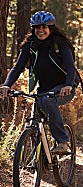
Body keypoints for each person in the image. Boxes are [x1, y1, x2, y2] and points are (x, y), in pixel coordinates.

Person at [0, 11, 78, 154]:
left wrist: (68, 85)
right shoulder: (30, 45)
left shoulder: (60, 44)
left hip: (65, 87)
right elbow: (18, 67)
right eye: (37, 28)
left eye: (44, 27)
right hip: (44, 89)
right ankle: (41, 159)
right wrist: (7, 84)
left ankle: (62, 141)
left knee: (48, 101)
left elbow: (71, 67)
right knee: (36, 116)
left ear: (51, 28)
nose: (40, 31)